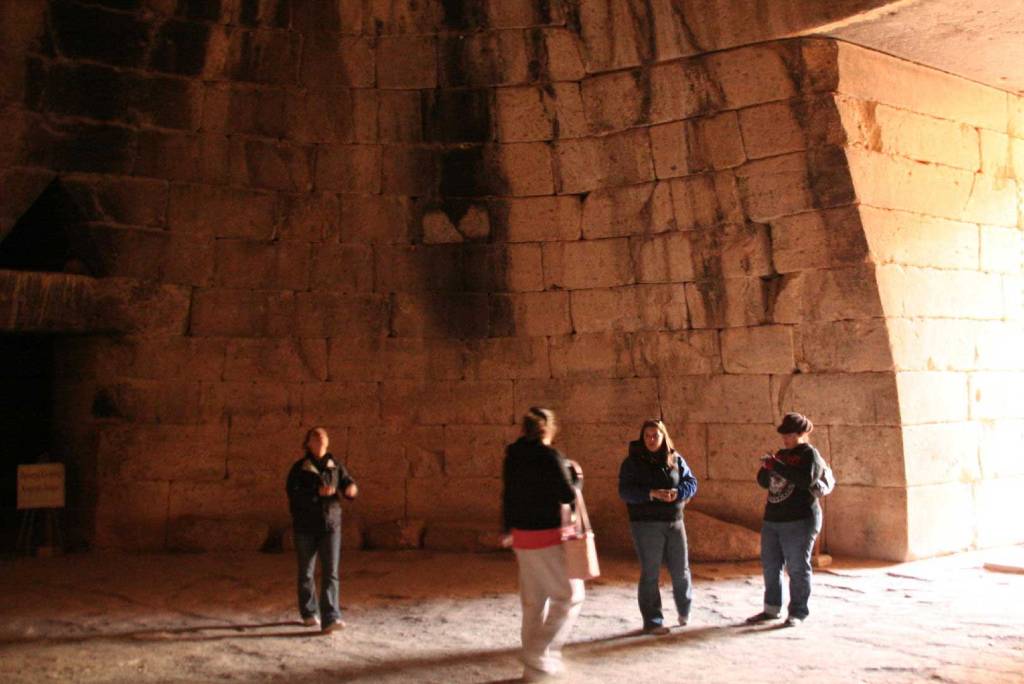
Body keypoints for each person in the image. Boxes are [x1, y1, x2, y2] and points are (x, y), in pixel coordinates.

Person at [501, 407, 584, 681]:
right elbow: (566, 494)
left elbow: (508, 495)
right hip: (546, 536)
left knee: (533, 603)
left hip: (522, 537)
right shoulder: (550, 456)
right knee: (571, 596)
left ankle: (533, 670)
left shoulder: (512, 456)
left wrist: (507, 528)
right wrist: (576, 478)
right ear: (548, 428)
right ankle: (536, 653)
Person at [618, 419, 698, 634]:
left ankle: (684, 610)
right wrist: (651, 494)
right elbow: (625, 491)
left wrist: (678, 493)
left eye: (656, 435)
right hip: (646, 524)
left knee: (681, 569)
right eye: (647, 436)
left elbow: (691, 482)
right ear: (642, 438)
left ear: (663, 437)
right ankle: (653, 621)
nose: (651, 440)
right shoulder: (632, 463)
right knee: (651, 573)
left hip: (674, 521)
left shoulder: (675, 458)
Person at [746, 412, 826, 628]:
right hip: (773, 518)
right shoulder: (780, 454)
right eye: (784, 435)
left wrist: (777, 466)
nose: (786, 439)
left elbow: (804, 481)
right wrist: (765, 468)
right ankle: (771, 609)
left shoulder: (810, 455)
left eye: (790, 435)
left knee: (798, 567)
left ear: (801, 434)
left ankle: (798, 611)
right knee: (771, 566)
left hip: (799, 519)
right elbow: (765, 483)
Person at [285, 427, 358, 634]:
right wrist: (316, 493)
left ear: (328, 441)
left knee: (331, 572)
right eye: (315, 435)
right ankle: (309, 612)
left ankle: (330, 618)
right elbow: (293, 495)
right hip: (305, 527)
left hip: (330, 525)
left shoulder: (335, 466)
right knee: (306, 572)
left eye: (323, 434)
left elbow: (348, 483)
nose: (320, 437)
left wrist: (352, 489)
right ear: (307, 443)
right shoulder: (299, 468)